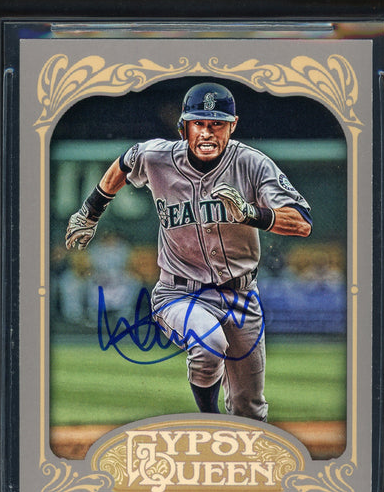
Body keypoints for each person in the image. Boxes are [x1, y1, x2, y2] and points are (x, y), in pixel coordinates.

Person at [65, 82, 312, 422]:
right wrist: (90, 211)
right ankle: (210, 421)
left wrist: (252, 213)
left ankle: (239, 445)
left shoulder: (254, 164)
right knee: (209, 345)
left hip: (242, 297)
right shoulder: (157, 157)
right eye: (199, 124)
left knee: (249, 409)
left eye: (217, 124)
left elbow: (301, 222)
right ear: (184, 127)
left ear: (233, 126)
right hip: (179, 293)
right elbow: (124, 163)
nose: (207, 132)